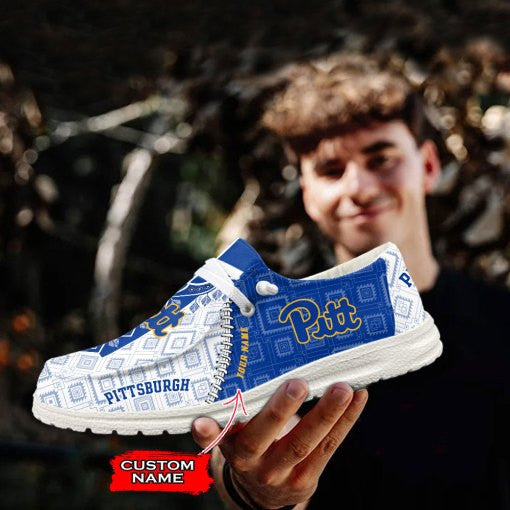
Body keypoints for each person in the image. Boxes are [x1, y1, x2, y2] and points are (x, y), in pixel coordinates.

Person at [191, 55, 510, 509]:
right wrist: (256, 488)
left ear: (428, 166)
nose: (358, 187)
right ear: (308, 194)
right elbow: (240, 457)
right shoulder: (268, 339)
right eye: (330, 170)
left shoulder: (502, 320)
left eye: (381, 158)